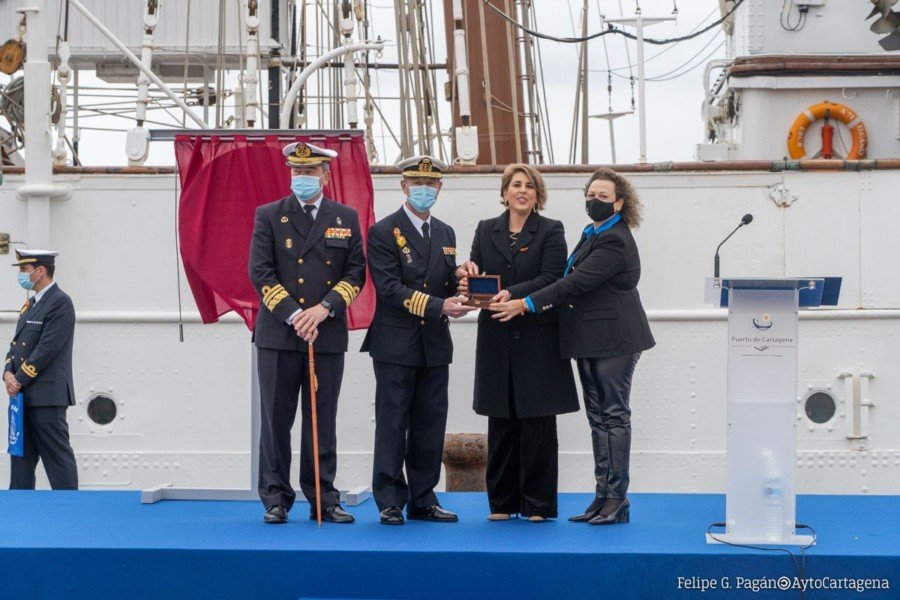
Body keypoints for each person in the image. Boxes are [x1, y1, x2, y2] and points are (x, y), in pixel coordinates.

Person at [490, 168, 655, 525]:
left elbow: (576, 282)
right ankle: (601, 496)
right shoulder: (592, 233)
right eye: (591, 195)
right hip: (590, 340)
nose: (594, 201)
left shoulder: (614, 239)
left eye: (603, 197)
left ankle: (617, 498)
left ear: (620, 203)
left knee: (613, 416)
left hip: (615, 340)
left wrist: (526, 303)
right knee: (598, 418)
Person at [249, 141, 367, 524]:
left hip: (326, 333)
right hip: (279, 335)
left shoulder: (345, 217)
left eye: (310, 172)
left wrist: (323, 309)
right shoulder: (269, 215)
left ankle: (323, 496)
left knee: (322, 419)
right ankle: (276, 498)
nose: (303, 178)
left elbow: (356, 273)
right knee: (276, 419)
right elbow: (260, 272)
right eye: (297, 172)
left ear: (325, 176)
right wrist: (295, 315)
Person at [457, 163, 578, 522]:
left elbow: (553, 277)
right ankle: (502, 504)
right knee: (501, 420)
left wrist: (515, 295)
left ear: (538, 195)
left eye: (529, 186)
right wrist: (465, 277)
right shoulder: (485, 229)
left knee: (538, 423)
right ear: (505, 192)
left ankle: (538, 505)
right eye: (515, 185)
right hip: (495, 335)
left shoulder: (551, 231)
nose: (522, 191)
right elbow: (476, 273)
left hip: (537, 335)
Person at [361, 155, 475, 525]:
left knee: (430, 424)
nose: (424, 189)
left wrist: (462, 281)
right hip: (395, 343)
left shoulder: (445, 233)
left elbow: (440, 280)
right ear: (404, 186)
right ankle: (390, 499)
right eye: (416, 183)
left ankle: (423, 498)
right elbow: (391, 288)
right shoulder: (383, 232)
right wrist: (442, 305)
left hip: (434, 344)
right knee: (393, 423)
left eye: (431, 184)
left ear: (440, 188)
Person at [4, 249, 78, 490]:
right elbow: (16, 345)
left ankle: (69, 508)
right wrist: (6, 372)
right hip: (23, 397)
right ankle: (20, 511)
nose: (22, 276)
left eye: (25, 270)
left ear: (41, 271)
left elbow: (47, 349)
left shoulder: (60, 303)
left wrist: (19, 379)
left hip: (47, 397)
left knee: (57, 459)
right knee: (21, 461)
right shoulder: (31, 304)